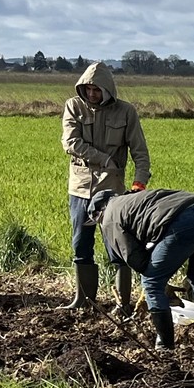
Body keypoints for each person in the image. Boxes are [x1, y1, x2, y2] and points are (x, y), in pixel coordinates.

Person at [61, 61, 151, 314]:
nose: (92, 94)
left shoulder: (125, 112)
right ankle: (84, 300)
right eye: (88, 89)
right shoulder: (73, 106)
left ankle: (122, 304)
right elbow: (70, 143)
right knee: (81, 244)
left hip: (112, 190)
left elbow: (140, 152)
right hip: (80, 187)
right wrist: (105, 159)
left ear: (108, 89)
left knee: (118, 246)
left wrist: (139, 183)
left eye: (97, 90)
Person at [87, 185, 194, 352]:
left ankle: (165, 346)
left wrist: (159, 280)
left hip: (182, 223)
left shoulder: (109, 217)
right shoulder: (133, 199)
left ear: (98, 213)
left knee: (151, 283)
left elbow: (133, 257)